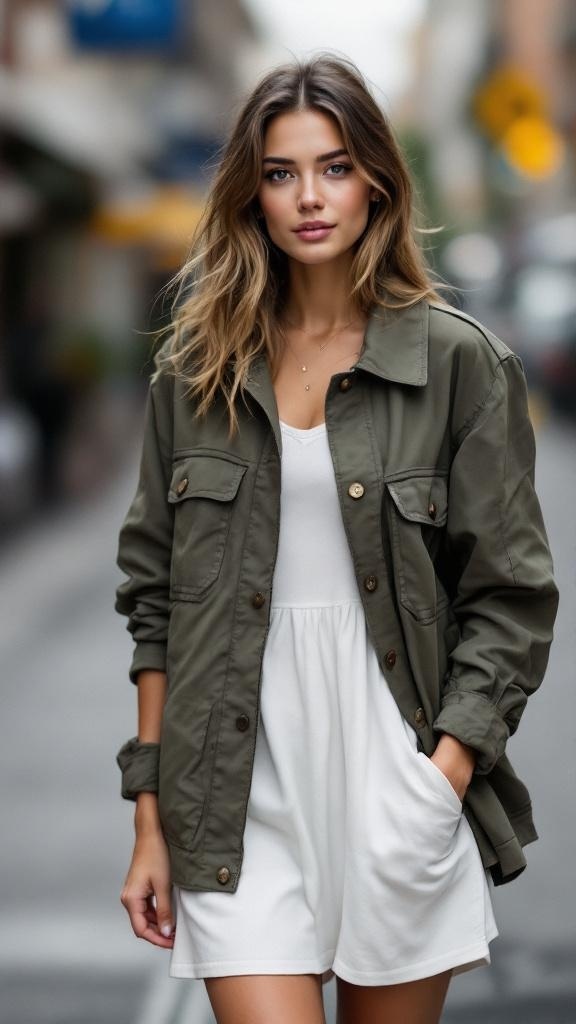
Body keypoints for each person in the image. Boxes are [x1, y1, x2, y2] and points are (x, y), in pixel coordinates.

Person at [113, 54, 559, 1024]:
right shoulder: (195, 376)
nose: (309, 196)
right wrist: (150, 819)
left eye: (335, 166)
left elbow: (512, 598)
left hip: (393, 777)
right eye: (281, 172)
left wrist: (438, 779)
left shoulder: (459, 365)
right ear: (253, 194)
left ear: (377, 186)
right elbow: (154, 603)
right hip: (234, 786)